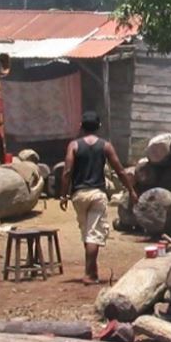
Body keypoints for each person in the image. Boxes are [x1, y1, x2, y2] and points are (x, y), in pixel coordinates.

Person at [60, 111, 137, 284]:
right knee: (93, 234)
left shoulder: (74, 145)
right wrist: (131, 190)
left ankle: (92, 270)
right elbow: (120, 170)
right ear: (99, 127)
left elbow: (66, 172)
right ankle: (89, 274)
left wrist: (63, 195)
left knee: (87, 233)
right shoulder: (105, 146)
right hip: (97, 194)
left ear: (81, 127)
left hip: (79, 195)